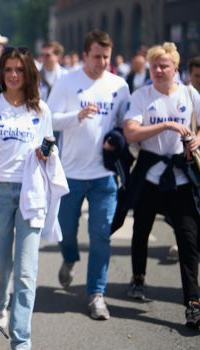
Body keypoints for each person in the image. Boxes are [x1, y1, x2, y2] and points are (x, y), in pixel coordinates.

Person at [47, 30, 130, 320]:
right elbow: (49, 118)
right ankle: (69, 258)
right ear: (85, 55)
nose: (102, 62)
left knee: (101, 235)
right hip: (70, 173)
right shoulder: (67, 82)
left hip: (104, 175)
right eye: (96, 56)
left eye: (106, 57)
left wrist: (117, 140)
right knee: (66, 231)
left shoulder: (119, 85)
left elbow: (125, 125)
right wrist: (76, 117)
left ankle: (96, 294)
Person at [121, 42, 200, 328]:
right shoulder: (142, 95)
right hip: (150, 175)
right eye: (154, 65)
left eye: (164, 65)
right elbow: (131, 132)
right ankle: (138, 278)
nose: (157, 70)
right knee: (141, 229)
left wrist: (195, 140)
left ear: (175, 69)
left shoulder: (190, 95)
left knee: (189, 239)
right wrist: (166, 125)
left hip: (180, 177)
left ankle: (193, 301)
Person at [0, 46, 55, 349]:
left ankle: (21, 340)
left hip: (30, 193)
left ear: (29, 74)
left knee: (26, 271)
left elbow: (50, 149)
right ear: (1, 73)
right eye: (8, 69)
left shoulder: (40, 109)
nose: (13, 75)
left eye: (19, 70)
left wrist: (44, 153)